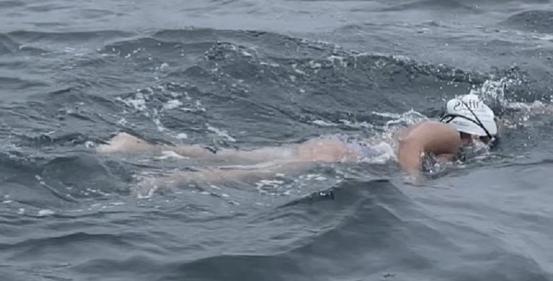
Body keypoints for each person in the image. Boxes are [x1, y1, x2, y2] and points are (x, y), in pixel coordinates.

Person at [97, 93, 501, 188]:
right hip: (342, 154)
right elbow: (413, 140)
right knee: (250, 172)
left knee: (242, 157)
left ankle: (137, 147)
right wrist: (415, 184)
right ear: (475, 132)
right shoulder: (450, 134)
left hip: (340, 146)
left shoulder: (459, 134)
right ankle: (165, 180)